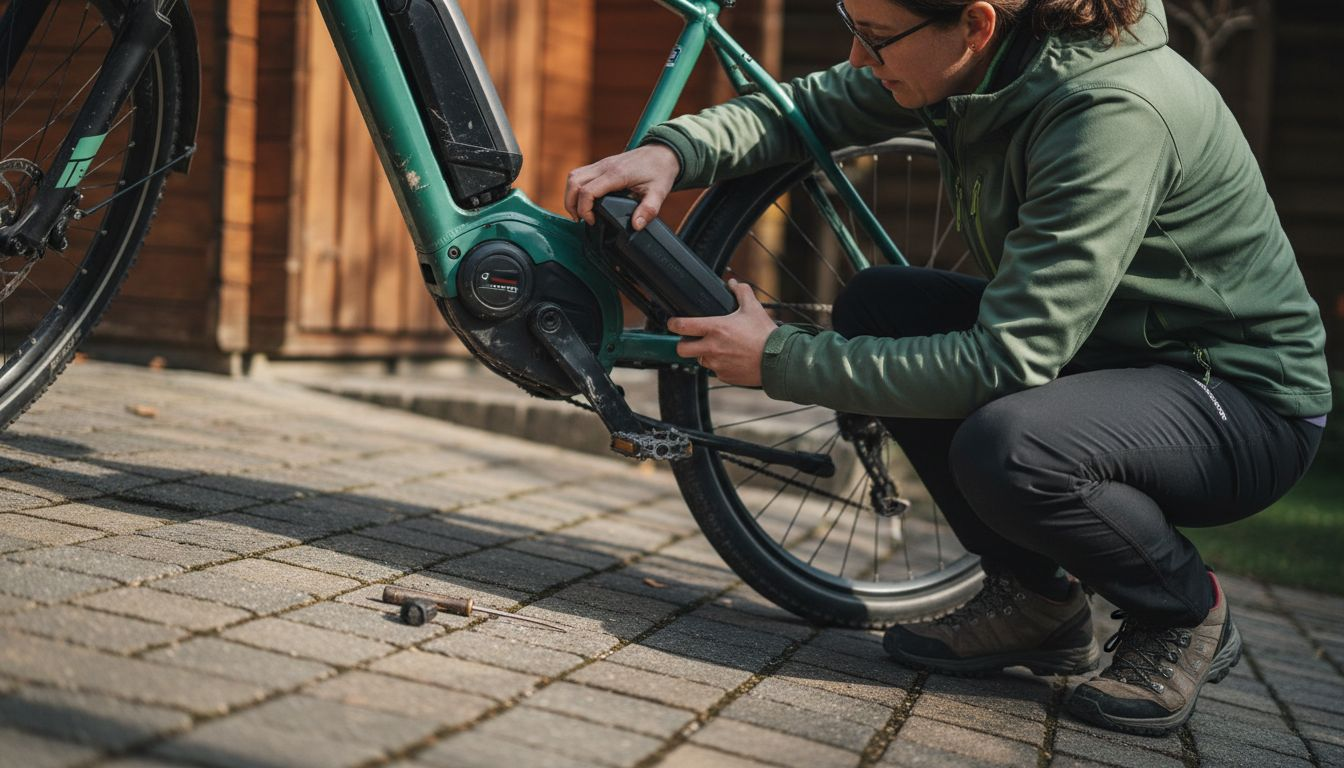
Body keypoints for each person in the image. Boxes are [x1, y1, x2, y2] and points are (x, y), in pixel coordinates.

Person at [563, 0, 1330, 736]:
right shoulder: (978, 65)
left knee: (1013, 445)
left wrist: (778, 358)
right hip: (1114, 357)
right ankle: (1034, 600)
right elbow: (808, 109)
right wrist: (672, 150)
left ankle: (1182, 612)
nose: (860, 57)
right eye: (850, 26)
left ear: (975, 23)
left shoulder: (1110, 113)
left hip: (1239, 399)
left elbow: (1005, 359)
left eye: (878, 37)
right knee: (883, 305)